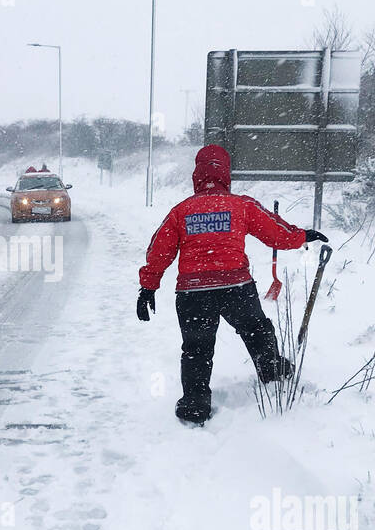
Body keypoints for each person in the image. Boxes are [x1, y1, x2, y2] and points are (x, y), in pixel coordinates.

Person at [136, 144, 328, 424]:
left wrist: (148, 288)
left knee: (196, 348)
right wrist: (302, 236)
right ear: (226, 175)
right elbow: (276, 232)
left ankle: (195, 405)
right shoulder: (241, 205)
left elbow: (159, 251)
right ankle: (271, 371)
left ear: (196, 176)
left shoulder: (181, 211)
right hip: (235, 287)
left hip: (193, 292)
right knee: (256, 329)